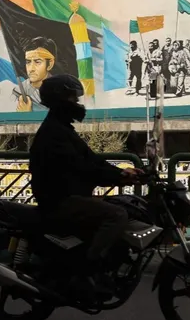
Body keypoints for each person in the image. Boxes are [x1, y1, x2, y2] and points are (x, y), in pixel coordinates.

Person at [29, 74, 153, 293]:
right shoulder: (54, 133)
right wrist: (118, 176)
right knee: (116, 215)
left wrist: (123, 172)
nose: (77, 103)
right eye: (72, 98)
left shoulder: (62, 129)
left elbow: (92, 160)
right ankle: (87, 271)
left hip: (71, 196)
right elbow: (83, 167)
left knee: (120, 204)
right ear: (60, 100)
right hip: (60, 200)